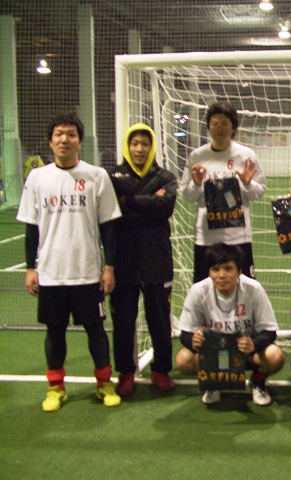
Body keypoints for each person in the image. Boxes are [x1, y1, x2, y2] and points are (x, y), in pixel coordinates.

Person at [17, 112, 122, 412]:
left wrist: (109, 267)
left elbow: (108, 227)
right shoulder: (37, 178)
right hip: (51, 273)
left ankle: (104, 383)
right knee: (54, 331)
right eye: (59, 134)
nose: (65, 139)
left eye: (71, 134)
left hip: (88, 272)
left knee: (96, 330)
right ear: (51, 142)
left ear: (80, 141)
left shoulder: (96, 176)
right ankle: (55, 388)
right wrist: (30, 268)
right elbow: (31, 228)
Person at [108, 123, 178, 396]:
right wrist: (149, 201)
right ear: (128, 146)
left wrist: (129, 201)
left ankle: (161, 370)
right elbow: (113, 211)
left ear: (152, 147)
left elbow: (166, 207)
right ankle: (126, 372)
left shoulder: (165, 176)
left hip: (157, 258)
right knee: (124, 322)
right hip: (123, 260)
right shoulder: (112, 176)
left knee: (160, 320)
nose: (139, 149)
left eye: (144, 144)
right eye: (134, 143)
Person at [175, 243, 284, 406]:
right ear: (209, 272)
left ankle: (258, 381)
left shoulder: (253, 289)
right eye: (215, 269)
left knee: (275, 356)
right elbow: (185, 333)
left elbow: (269, 331)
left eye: (228, 269)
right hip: (215, 354)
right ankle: (214, 383)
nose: (221, 275)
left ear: (239, 271)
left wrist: (253, 344)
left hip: (246, 354)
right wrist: (192, 340)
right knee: (183, 359)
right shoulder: (198, 291)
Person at [179, 101, 266, 283]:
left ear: (233, 127)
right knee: (204, 290)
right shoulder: (197, 156)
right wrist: (196, 184)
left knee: (243, 288)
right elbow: (187, 196)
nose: (219, 128)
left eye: (225, 123)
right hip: (206, 237)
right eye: (215, 123)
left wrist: (248, 184)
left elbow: (259, 192)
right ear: (208, 126)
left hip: (238, 236)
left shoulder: (246, 155)